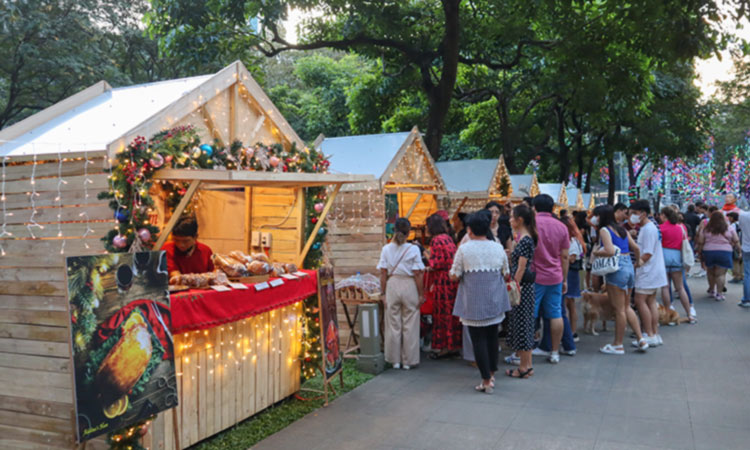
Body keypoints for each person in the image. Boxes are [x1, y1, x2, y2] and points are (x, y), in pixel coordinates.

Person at [450, 211, 511, 393]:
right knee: (492, 338)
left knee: (478, 340)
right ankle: (491, 373)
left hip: (473, 300)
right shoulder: (497, 247)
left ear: (469, 229)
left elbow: (455, 275)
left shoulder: (464, 249)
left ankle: (485, 379)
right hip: (494, 299)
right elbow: (506, 273)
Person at [592, 205, 648, 354]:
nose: (595, 218)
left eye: (596, 215)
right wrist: (638, 263)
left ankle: (618, 344)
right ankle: (641, 339)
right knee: (627, 306)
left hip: (616, 270)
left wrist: (597, 252)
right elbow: (635, 248)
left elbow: (609, 251)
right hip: (629, 267)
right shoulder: (622, 229)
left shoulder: (604, 230)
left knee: (619, 310)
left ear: (601, 216)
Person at [377, 218, 425, 370]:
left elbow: (383, 274)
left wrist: (383, 293)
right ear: (409, 232)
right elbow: (417, 274)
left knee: (392, 323)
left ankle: (394, 360)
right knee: (410, 323)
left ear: (393, 230)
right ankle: (408, 361)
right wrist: (421, 293)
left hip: (392, 284)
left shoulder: (386, 249)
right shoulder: (413, 249)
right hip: (409, 284)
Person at [530, 194, 572, 364]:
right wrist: (564, 279)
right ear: (553, 208)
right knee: (556, 314)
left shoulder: (531, 225)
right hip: (555, 276)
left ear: (534, 207)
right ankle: (554, 352)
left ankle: (525, 351)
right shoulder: (561, 227)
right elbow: (565, 256)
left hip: (534, 276)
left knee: (530, 314)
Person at [505, 205, 537, 378]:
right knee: (524, 325)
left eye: (512, 217)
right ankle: (527, 365)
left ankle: (524, 367)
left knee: (523, 326)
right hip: (524, 288)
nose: (510, 220)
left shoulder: (525, 240)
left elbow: (522, 267)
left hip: (522, 289)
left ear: (520, 220)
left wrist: (514, 286)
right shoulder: (525, 238)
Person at [631, 200, 667, 346]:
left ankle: (649, 334)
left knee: (640, 301)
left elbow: (647, 254)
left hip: (648, 272)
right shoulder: (649, 227)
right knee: (651, 301)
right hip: (653, 271)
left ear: (643, 213)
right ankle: (654, 333)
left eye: (635, 213)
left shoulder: (648, 229)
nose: (632, 216)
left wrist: (634, 266)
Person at [425, 214, 461, 359]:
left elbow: (436, 264)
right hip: (452, 280)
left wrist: (425, 255)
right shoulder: (448, 238)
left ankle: (445, 347)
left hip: (442, 282)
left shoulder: (436, 240)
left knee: (442, 316)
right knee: (452, 315)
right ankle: (454, 345)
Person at [659, 207, 695, 322]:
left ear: (664, 216)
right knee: (680, 287)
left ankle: (668, 314)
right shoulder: (681, 228)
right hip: (677, 257)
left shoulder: (660, 228)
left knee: (665, 287)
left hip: (663, 257)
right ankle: (689, 314)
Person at [696, 211, 740, 302]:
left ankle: (712, 290)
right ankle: (719, 294)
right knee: (720, 274)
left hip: (709, 252)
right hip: (724, 252)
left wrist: (699, 252)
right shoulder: (729, 227)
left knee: (711, 272)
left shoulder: (706, 228)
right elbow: (736, 240)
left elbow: (701, 241)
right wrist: (739, 251)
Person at [562, 215, 585, 342]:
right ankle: (572, 331)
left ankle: (570, 331)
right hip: (572, 273)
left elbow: (570, 258)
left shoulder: (572, 241)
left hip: (569, 273)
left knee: (567, 303)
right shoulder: (576, 240)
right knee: (570, 304)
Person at [738, 207, 750, 307]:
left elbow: (741, 228)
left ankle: (746, 299)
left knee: (747, 274)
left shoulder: (743, 216)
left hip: (747, 247)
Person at [727, 212, 742, 284]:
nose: (728, 219)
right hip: (742, 244)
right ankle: (741, 276)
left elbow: (732, 236)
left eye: (729, 217)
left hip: (735, 244)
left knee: (735, 261)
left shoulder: (733, 225)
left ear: (733, 218)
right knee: (741, 262)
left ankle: (736, 276)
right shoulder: (741, 223)